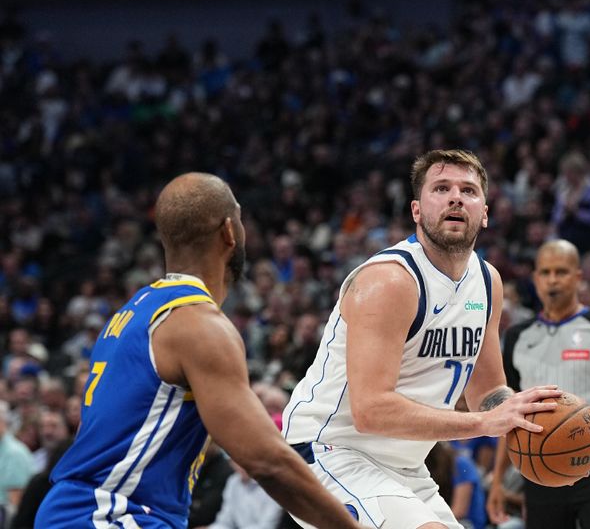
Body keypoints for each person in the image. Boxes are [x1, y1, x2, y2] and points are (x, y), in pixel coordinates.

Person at [35, 173, 361, 529]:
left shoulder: (134, 312)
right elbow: (266, 460)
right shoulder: (199, 325)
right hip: (109, 515)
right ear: (229, 232)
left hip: (84, 510)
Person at [283, 150, 561, 529]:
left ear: (485, 212)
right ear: (416, 210)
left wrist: (526, 415)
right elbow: (371, 411)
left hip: (405, 464)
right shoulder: (389, 281)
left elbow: (489, 389)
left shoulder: (488, 282)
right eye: (441, 188)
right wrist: (483, 423)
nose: (455, 198)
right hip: (328, 450)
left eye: (468, 190)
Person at [488, 239, 590, 529]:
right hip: (536, 456)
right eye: (545, 272)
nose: (552, 280)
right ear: (535, 279)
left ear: (578, 277)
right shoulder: (517, 337)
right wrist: (498, 479)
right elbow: (508, 414)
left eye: (561, 272)